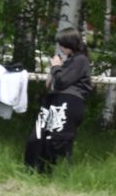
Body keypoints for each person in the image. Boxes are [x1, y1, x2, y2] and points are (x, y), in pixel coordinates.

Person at [24, 29, 91, 174]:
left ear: (71, 44)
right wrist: (54, 69)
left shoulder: (80, 60)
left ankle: (52, 174)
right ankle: (33, 170)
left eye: (63, 44)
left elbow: (62, 82)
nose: (61, 48)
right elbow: (52, 83)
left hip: (68, 101)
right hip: (55, 100)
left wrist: (55, 67)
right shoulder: (70, 61)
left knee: (56, 140)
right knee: (37, 138)